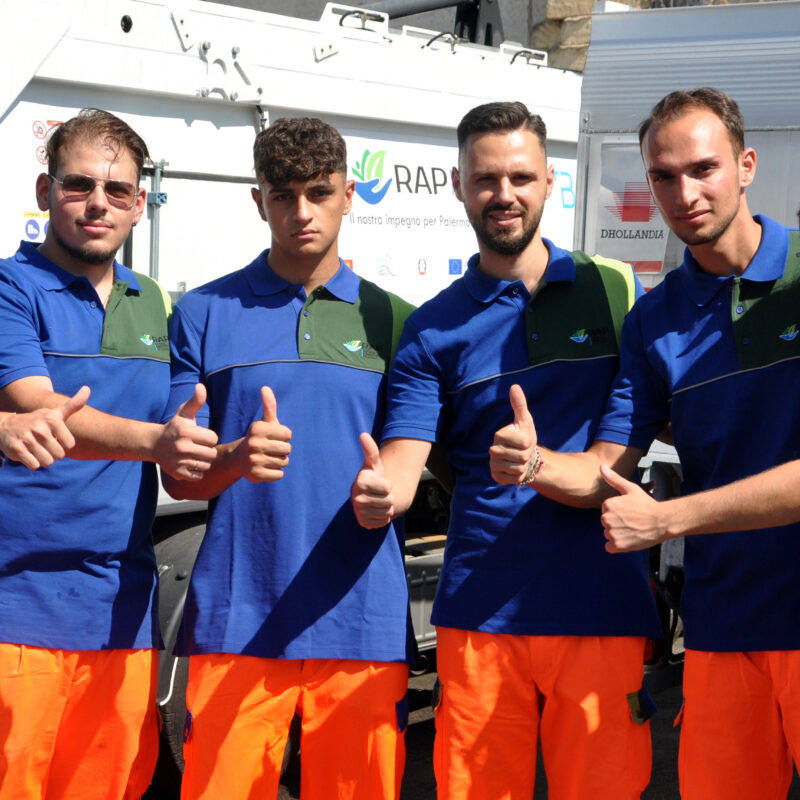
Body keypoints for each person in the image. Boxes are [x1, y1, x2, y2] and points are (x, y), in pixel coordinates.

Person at [490, 88, 800, 800]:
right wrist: (532, 463)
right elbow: (608, 469)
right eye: (664, 176)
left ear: (746, 165)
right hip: (725, 627)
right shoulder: (655, 317)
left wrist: (670, 519)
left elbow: (661, 514)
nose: (684, 192)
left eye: (703, 168)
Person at [351, 101, 661, 800]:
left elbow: (618, 463)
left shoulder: (613, 292)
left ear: (550, 182)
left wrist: (537, 464)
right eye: (485, 178)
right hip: (480, 611)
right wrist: (384, 493)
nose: (504, 194)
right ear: (459, 185)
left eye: (520, 176)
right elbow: (404, 458)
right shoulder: (431, 330)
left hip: (600, 605)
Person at [161, 116, 416, 800]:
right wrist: (236, 455)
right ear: (258, 200)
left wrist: (386, 492)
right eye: (282, 195)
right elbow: (179, 476)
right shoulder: (203, 312)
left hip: (361, 615)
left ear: (349, 194)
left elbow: (412, 459)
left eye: (319, 192)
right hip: (238, 614)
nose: (301, 212)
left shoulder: (394, 320)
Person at [0, 108, 218, 800]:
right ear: (45, 192)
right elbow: (40, 405)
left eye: (119, 190)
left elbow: (184, 436)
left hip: (121, 610)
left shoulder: (151, 302)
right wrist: (158, 441)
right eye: (79, 185)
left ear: (140, 203)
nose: (99, 203)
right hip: (19, 606)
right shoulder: (10, 287)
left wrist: (231, 451)